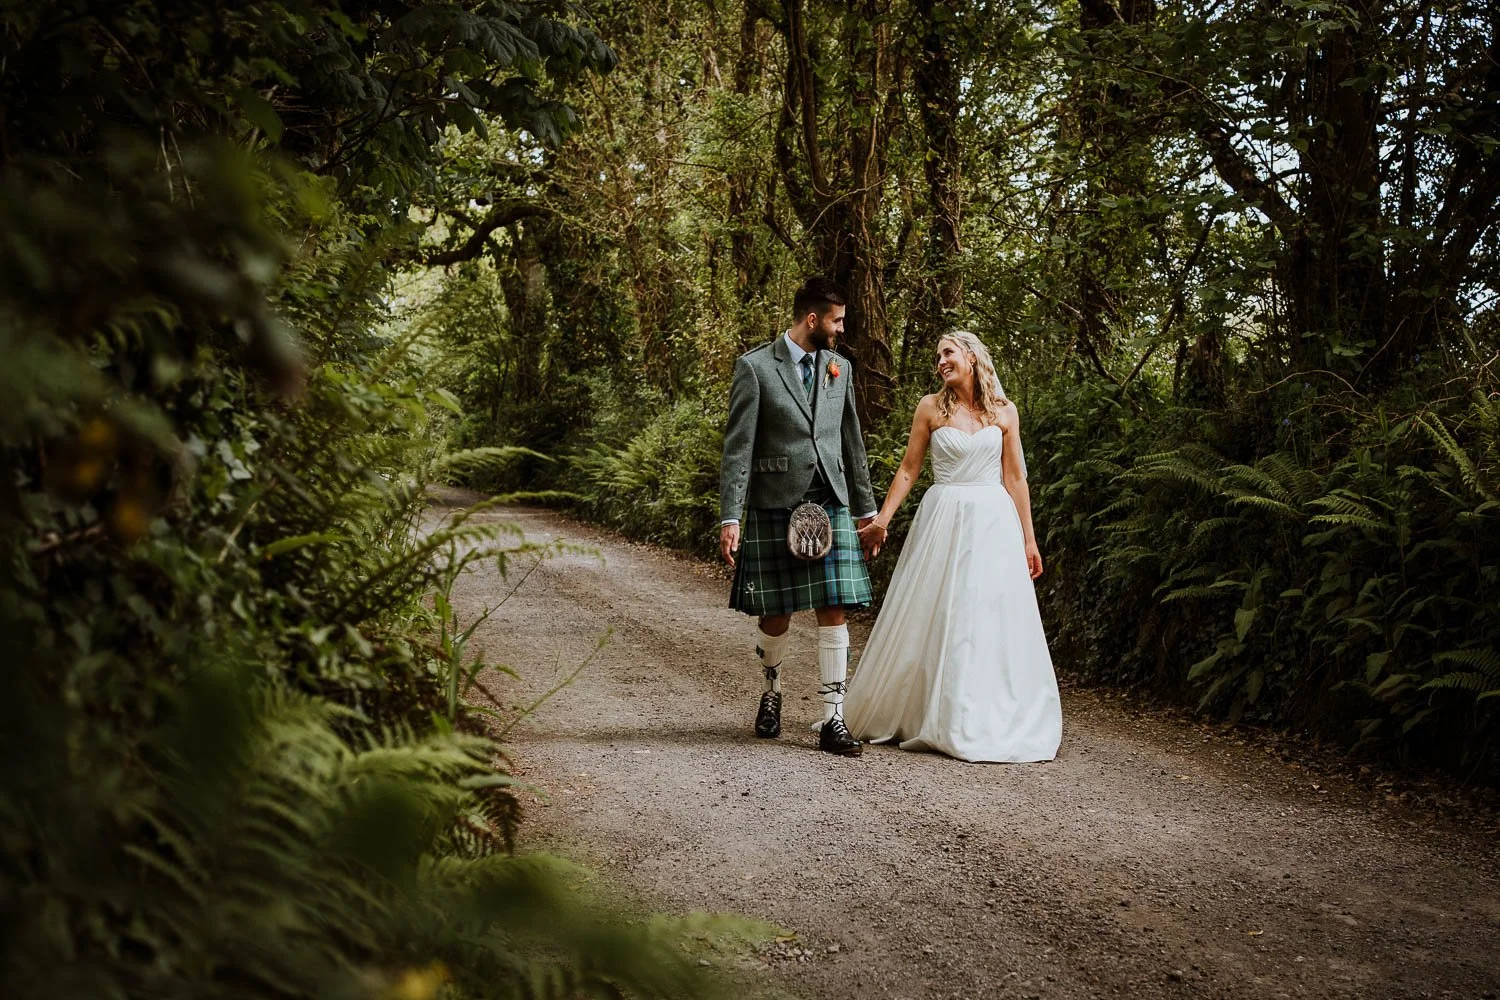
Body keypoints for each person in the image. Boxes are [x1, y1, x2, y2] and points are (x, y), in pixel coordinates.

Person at [845, 330, 1062, 762]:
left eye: (948, 352)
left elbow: (1016, 478)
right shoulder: (930, 407)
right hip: (942, 517)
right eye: (937, 355)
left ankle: (982, 712)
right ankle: (933, 709)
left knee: (987, 613)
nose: (941, 361)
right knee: (942, 610)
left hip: (993, 523)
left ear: (972, 356)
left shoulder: (1004, 412)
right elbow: (909, 469)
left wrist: (1029, 540)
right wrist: (882, 521)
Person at [719, 277, 880, 756]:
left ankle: (833, 717)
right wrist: (731, 518)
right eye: (837, 320)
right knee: (777, 613)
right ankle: (771, 692)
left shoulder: (840, 368)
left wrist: (867, 511)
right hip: (775, 501)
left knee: (834, 607)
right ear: (813, 319)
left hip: (830, 499)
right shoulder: (754, 368)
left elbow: (852, 441)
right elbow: (738, 449)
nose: (841, 329)